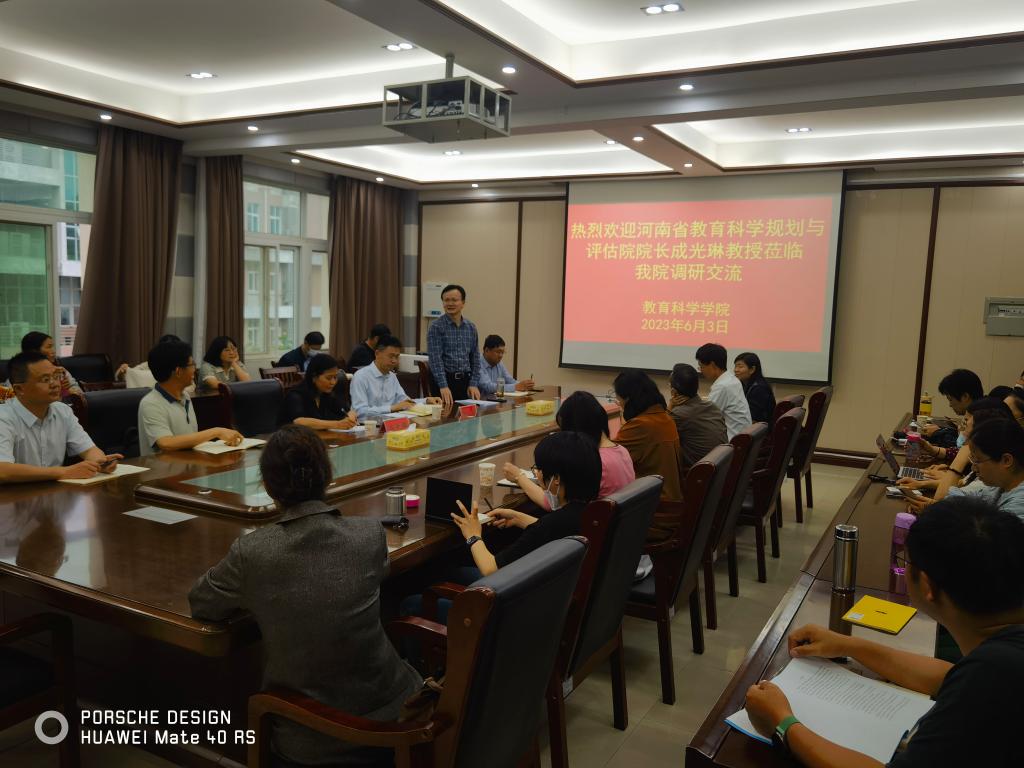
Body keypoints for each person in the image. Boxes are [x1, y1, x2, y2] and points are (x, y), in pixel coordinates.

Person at [189, 425, 421, 767]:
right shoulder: (369, 534)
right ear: (327, 476)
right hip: (398, 716)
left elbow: (202, 602)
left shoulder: (253, 552)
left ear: (268, 486)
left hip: (314, 739)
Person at [743, 495, 1024, 768]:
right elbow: (948, 677)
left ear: (927, 586)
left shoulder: (995, 674)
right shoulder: (999, 653)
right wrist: (847, 645)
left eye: (906, 561)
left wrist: (782, 722)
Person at [450, 430, 602, 576]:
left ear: (556, 479)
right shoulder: (590, 512)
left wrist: (473, 535)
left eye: (539, 469)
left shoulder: (551, 525)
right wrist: (518, 518)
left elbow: (491, 569)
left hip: (513, 592)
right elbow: (554, 529)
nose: (538, 474)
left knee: (453, 570)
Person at [0, 351, 121, 484]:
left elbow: (88, 449)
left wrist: (100, 462)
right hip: (13, 494)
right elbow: (2, 471)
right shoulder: (4, 417)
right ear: (19, 389)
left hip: (54, 492)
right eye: (45, 379)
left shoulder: (63, 411)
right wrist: (63, 472)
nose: (55, 384)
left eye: (56, 376)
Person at [503, 390, 634, 506]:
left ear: (575, 430)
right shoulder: (622, 451)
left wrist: (519, 477)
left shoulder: (594, 461)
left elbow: (553, 503)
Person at [137, 340, 242, 456]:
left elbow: (189, 440)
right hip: (162, 466)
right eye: (191, 365)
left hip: (189, 462)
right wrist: (216, 432)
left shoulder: (185, 396)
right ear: (178, 371)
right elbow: (166, 443)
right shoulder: (151, 403)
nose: (194, 369)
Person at [612, 370, 684, 505]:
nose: (618, 403)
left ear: (627, 399)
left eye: (618, 398)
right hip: (669, 498)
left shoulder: (641, 425)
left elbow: (609, 460)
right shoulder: (664, 417)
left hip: (654, 506)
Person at [943, 419, 1024, 521]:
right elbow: (954, 498)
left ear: (1006, 460)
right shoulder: (1000, 485)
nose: (973, 468)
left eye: (977, 460)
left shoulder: (1019, 505)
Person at [350, 335, 440, 420]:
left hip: (390, 424)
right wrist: (392, 408)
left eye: (397, 357)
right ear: (377, 353)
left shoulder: (392, 376)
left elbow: (405, 402)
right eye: (391, 356)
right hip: (366, 427)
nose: (394, 361)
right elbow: (360, 411)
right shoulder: (361, 376)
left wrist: (426, 400)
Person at [426, 284, 481, 406]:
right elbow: (435, 359)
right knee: (446, 415)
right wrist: (443, 386)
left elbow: (475, 358)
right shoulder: (436, 327)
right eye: (446, 300)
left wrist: (473, 383)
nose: (450, 303)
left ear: (463, 303)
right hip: (445, 382)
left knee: (468, 416)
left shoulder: (471, 327)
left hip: (466, 382)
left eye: (454, 300)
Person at [668, 363, 728, 472]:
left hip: (699, 475)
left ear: (674, 392)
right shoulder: (712, 406)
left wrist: (670, 406)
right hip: (721, 470)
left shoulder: (679, 414)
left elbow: (658, 433)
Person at [278, 353, 357, 430]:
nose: (333, 382)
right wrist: (337, 424)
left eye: (335, 377)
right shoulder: (295, 395)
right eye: (328, 378)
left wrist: (351, 416)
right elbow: (299, 421)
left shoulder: (327, 393)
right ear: (314, 377)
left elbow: (346, 410)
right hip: (291, 437)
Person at [696, 343, 751, 440]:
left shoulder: (722, 386)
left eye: (701, 366)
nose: (701, 370)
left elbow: (704, 418)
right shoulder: (731, 379)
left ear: (712, 365)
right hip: (741, 437)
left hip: (731, 441)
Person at [921, 368, 984, 445]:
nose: (950, 405)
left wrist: (937, 433)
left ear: (965, 396)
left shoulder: (981, 419)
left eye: (950, 399)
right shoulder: (980, 410)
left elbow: (960, 445)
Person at [19, 331, 80, 396]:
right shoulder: (20, 373)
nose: (53, 351)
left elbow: (79, 392)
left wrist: (69, 388)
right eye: (49, 347)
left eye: (52, 347)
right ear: (34, 351)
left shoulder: (60, 371)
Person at [733, 352, 777, 424]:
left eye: (740, 367)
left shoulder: (759, 388)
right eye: (735, 366)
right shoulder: (745, 384)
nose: (736, 370)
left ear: (752, 369)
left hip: (760, 429)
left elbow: (753, 419)